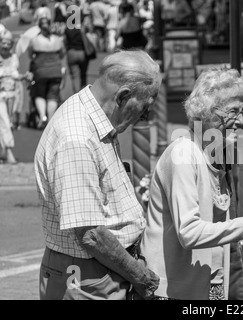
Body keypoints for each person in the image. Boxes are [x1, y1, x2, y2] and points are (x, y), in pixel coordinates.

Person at [139, 68, 243, 300]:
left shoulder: (216, 155)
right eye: (233, 111)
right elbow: (189, 232)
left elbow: (222, 224)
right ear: (205, 113)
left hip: (209, 288)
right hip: (175, 292)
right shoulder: (183, 154)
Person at [34, 50, 162, 300]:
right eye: (145, 106)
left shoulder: (94, 114)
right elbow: (91, 234)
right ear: (123, 96)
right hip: (88, 275)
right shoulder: (77, 138)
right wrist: (140, 276)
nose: (145, 115)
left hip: (101, 269)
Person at [28, 17, 66, 129]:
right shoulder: (57, 39)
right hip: (55, 71)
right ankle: (50, 120)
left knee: (39, 94)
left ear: (39, 26)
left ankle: (42, 116)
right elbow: (62, 54)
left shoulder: (34, 40)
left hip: (40, 71)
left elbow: (30, 56)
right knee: (52, 96)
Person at [0, 30, 31, 164]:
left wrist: (24, 77)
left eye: (8, 43)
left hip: (12, 95)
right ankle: (8, 152)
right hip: (0, 95)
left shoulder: (13, 58)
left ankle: (3, 151)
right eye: (3, 43)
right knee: (5, 122)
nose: (6, 46)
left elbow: (15, 74)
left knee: (7, 123)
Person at [63, 15, 90, 94]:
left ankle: (76, 94)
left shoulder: (67, 30)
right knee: (83, 74)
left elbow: (64, 42)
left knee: (75, 76)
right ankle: (84, 93)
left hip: (71, 53)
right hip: (82, 53)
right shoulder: (82, 30)